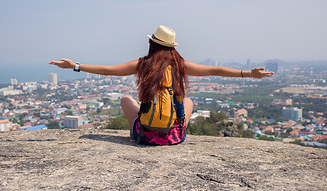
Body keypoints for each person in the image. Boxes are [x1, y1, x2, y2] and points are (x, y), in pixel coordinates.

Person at [49, 25, 274, 145]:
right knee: (187, 101)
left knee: (126, 99)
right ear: (171, 47)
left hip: (146, 136)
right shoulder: (181, 65)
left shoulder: (142, 64)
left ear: (152, 44)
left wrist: (75, 66)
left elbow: (109, 70)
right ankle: (173, 127)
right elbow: (215, 70)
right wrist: (249, 74)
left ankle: (144, 129)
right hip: (174, 136)